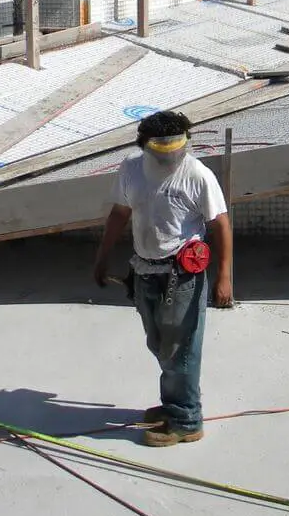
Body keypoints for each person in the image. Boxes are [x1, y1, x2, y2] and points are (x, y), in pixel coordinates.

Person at [94, 110, 233, 447]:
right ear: (145, 146)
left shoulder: (197, 174)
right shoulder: (131, 169)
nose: (171, 156)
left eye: (177, 148)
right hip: (144, 271)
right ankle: (174, 404)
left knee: (181, 349)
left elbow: (220, 224)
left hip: (181, 277)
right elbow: (120, 213)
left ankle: (186, 419)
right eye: (162, 149)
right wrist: (101, 258)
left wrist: (224, 276)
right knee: (159, 343)